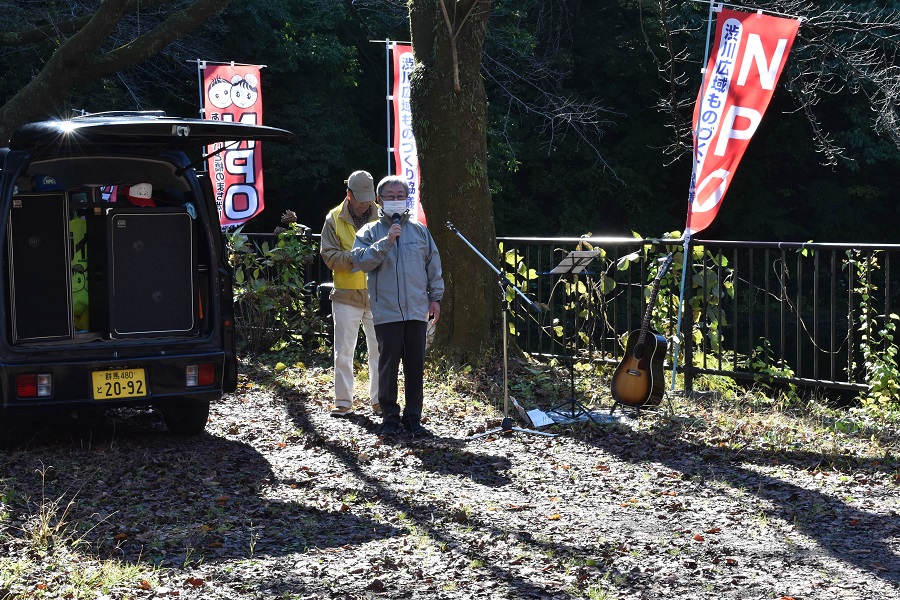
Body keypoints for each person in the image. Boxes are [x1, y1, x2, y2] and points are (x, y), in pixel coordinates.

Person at [352, 175, 444, 437]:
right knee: (388, 367)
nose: (395, 200)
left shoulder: (419, 230)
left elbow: (433, 265)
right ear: (379, 200)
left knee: (415, 366)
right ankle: (390, 417)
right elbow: (360, 261)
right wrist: (386, 242)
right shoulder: (369, 232)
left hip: (417, 309)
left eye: (399, 196)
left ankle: (414, 418)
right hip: (387, 310)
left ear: (407, 199)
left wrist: (435, 298)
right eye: (389, 196)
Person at [320, 170, 381, 417]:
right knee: (343, 350)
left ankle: (379, 400)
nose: (366, 202)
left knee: (380, 350)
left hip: (378, 293)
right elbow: (329, 255)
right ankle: (343, 401)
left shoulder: (383, 215)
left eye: (369, 197)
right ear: (349, 194)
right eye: (361, 198)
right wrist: (356, 258)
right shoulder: (333, 218)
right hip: (346, 293)